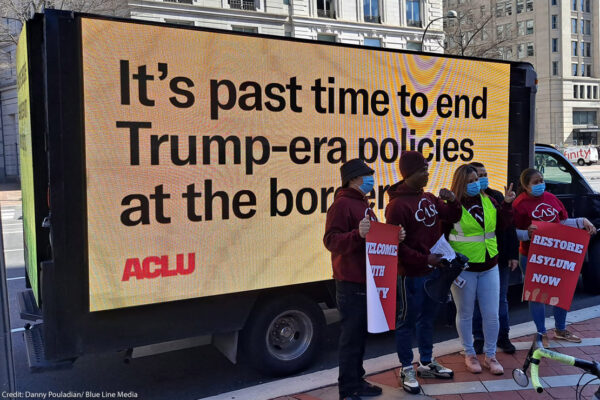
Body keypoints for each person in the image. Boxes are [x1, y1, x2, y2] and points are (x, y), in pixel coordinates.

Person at [324, 158, 406, 400]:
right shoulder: (342, 205)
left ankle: (356, 380)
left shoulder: (362, 204)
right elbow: (331, 241)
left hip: (366, 278)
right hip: (350, 280)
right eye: (367, 175)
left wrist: (394, 236)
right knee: (351, 337)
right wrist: (356, 234)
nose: (371, 178)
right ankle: (347, 389)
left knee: (359, 336)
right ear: (353, 179)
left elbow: (373, 236)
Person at [385, 151, 460, 395]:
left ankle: (426, 362)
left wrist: (453, 200)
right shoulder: (396, 206)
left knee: (428, 319)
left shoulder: (428, 197)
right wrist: (424, 258)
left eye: (427, 169)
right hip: (411, 275)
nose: (427, 174)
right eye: (422, 170)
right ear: (409, 174)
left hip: (433, 271)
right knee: (406, 322)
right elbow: (396, 246)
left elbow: (452, 216)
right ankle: (406, 367)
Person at [512, 168, 596, 346]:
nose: (540, 184)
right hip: (532, 256)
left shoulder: (551, 198)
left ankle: (560, 329)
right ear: (525, 186)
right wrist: (527, 233)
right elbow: (513, 233)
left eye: (541, 180)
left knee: (562, 290)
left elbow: (562, 223)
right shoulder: (519, 204)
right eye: (535, 182)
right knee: (537, 295)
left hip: (556, 254)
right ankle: (541, 332)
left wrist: (582, 221)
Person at [446, 164, 515, 375]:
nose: (476, 184)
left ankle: (491, 356)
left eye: (477, 179)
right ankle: (469, 354)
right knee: (465, 313)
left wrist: (507, 205)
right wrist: (449, 264)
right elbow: (441, 236)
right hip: (465, 269)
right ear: (460, 183)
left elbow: (501, 226)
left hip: (489, 265)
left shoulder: (490, 200)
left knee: (491, 313)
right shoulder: (452, 205)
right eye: (470, 181)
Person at [469, 162, 520, 355]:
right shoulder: (464, 201)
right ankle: (479, 339)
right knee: (475, 302)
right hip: (475, 260)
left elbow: (509, 228)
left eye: (484, 175)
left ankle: (503, 337)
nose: (482, 179)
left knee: (500, 300)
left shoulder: (497, 197)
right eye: (477, 176)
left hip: (499, 258)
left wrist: (513, 255)